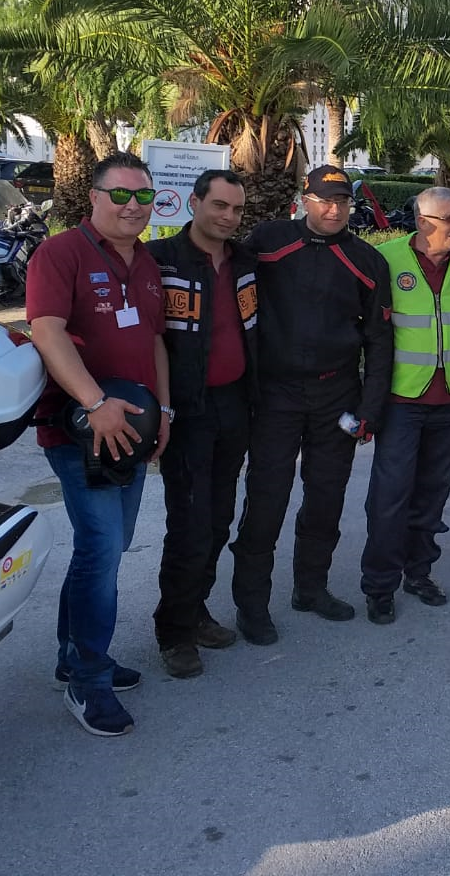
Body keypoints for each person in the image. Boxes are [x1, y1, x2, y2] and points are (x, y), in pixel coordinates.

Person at [26, 151, 169, 737]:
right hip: (81, 431)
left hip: (132, 431)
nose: (133, 206)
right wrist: (93, 402)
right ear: (93, 196)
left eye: (143, 196)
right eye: (121, 194)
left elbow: (154, 339)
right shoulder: (62, 253)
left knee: (109, 546)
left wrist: (164, 412)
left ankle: (74, 656)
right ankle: (88, 680)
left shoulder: (148, 262)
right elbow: (46, 331)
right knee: (102, 548)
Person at [232, 164, 393, 643]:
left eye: (342, 202)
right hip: (276, 394)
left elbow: (379, 340)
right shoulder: (269, 241)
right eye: (324, 201)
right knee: (266, 500)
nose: (333, 210)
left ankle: (311, 588)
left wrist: (371, 408)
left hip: (336, 396)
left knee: (326, 499)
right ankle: (252, 605)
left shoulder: (367, 260)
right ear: (304, 200)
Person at [147, 170, 257, 678]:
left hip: (235, 405)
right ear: (194, 203)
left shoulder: (245, 261)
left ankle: (195, 610)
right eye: (219, 206)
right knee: (189, 523)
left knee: (218, 519)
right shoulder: (159, 260)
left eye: (236, 209)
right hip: (186, 411)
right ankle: (173, 632)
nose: (229, 217)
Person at [361, 186, 450, 624]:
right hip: (403, 399)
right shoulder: (387, 258)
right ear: (422, 222)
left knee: (433, 492)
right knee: (390, 495)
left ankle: (419, 572)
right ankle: (380, 585)